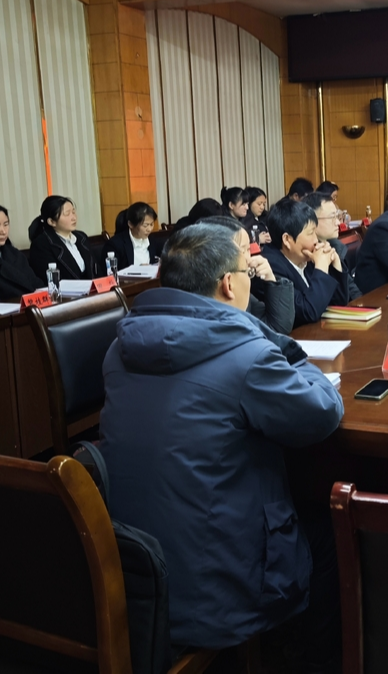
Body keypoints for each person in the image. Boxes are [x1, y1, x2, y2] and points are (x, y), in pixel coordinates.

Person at [99, 222, 344, 670]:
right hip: (218, 587)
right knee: (331, 532)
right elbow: (323, 412)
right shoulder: (247, 357)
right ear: (229, 283)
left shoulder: (119, 348)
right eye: (249, 270)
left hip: (133, 568)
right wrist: (287, 351)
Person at [261, 198, 351, 327]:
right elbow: (308, 312)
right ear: (287, 239)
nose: (316, 240)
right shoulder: (272, 266)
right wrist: (321, 268)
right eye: (310, 233)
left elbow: (338, 303)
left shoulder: (305, 256)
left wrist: (335, 264)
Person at [199, 215, 295, 335]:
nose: (248, 257)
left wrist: (271, 280)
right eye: (242, 250)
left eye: (248, 249)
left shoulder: (241, 285)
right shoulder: (208, 293)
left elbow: (278, 327)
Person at [304, 192, 363, 300]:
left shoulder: (333, 246)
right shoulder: (305, 254)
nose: (337, 222)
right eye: (332, 217)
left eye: (337, 216)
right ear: (312, 220)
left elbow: (351, 289)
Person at [27, 195, 100, 280]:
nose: (74, 218)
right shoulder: (41, 245)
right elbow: (51, 281)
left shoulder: (81, 237)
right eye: (67, 214)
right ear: (52, 222)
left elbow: (96, 270)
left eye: (73, 212)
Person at [103, 202, 163, 268]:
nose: (149, 229)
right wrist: (138, 269)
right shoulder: (115, 245)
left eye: (151, 224)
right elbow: (112, 273)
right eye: (145, 225)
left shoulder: (153, 241)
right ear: (131, 224)